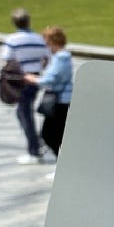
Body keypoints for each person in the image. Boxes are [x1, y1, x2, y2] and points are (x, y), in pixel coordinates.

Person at [1, 8, 50, 164]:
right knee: (23, 111)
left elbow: (7, 60)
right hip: (35, 78)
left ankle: (34, 151)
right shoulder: (39, 39)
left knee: (25, 113)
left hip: (20, 78)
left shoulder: (11, 39)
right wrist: (39, 68)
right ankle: (36, 143)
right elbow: (47, 57)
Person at [25, 26, 73, 180]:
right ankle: (63, 167)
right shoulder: (61, 57)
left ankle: (63, 168)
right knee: (55, 134)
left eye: (47, 41)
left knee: (50, 134)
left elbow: (52, 79)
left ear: (53, 41)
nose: (46, 45)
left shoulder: (61, 58)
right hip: (61, 100)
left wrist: (34, 80)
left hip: (60, 101)